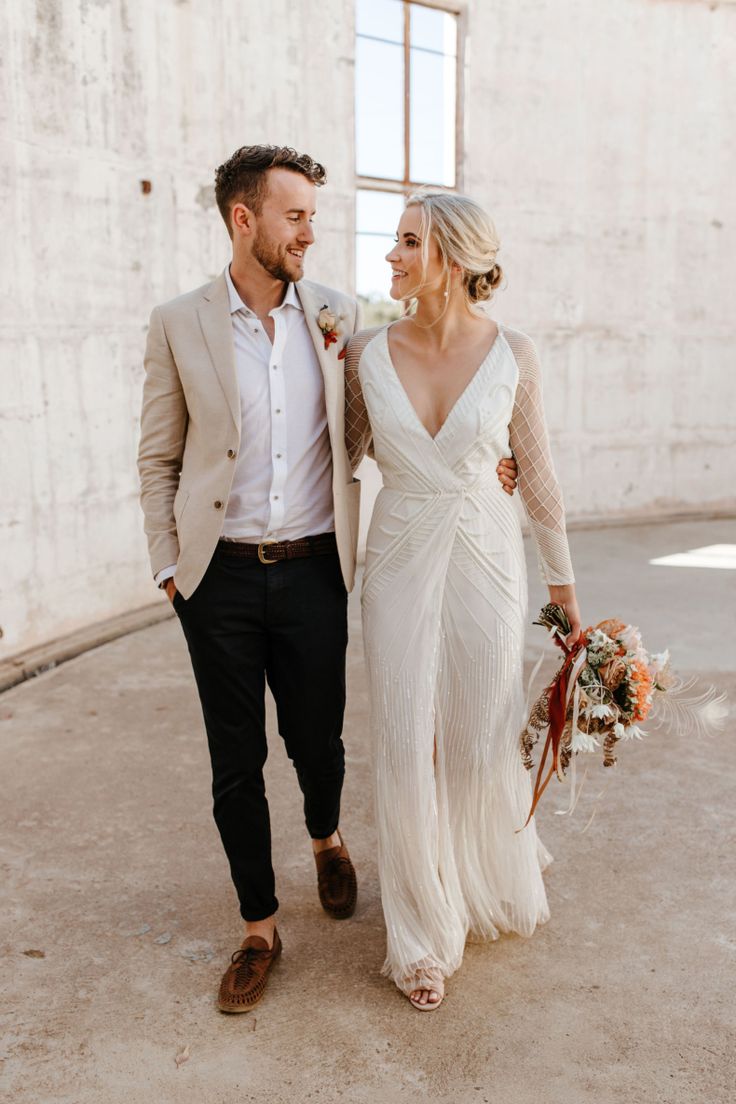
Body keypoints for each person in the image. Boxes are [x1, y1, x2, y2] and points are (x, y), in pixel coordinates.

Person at [138, 143, 522, 1014]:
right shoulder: (178, 321)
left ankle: (326, 837)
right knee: (235, 762)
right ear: (245, 220)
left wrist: (483, 468)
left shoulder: (339, 317)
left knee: (320, 741)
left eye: (314, 213)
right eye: (296, 216)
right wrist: (170, 568)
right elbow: (157, 456)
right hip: (217, 581)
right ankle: (259, 928)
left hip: (316, 570)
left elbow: (382, 419)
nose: (312, 231)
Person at [344, 191, 582, 1011]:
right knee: (408, 739)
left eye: (407, 243)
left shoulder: (515, 352)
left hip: (488, 554)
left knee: (479, 736)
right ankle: (421, 933)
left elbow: (537, 475)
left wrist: (564, 593)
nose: (392, 258)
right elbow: (338, 459)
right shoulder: (364, 354)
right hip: (399, 560)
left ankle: (484, 864)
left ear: (449, 256)